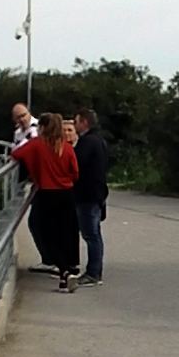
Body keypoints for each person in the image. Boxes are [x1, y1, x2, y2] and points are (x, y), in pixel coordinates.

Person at [7, 115, 88, 291]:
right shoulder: (66, 148)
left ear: (43, 127)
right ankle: (71, 268)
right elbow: (75, 173)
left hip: (46, 193)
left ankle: (62, 270)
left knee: (45, 233)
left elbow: (16, 153)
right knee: (67, 232)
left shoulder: (36, 145)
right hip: (66, 194)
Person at [67, 113, 119, 284]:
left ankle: (93, 272)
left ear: (84, 122)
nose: (74, 126)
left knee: (91, 234)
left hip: (88, 194)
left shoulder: (88, 142)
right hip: (96, 192)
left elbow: (76, 162)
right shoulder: (99, 141)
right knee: (93, 232)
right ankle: (94, 270)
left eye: (76, 122)